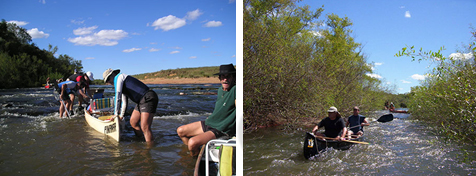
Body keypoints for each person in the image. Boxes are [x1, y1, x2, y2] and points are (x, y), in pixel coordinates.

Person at [176, 64, 236, 156]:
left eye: (228, 76)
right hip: (211, 122)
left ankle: (193, 156)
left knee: (192, 142)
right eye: (223, 77)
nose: (225, 79)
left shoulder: (235, 90)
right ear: (219, 78)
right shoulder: (220, 90)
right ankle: (194, 153)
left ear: (233, 77)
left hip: (222, 129)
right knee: (180, 131)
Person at [103, 68, 159, 143]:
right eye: (107, 81)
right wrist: (121, 116)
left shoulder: (119, 77)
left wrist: (115, 114)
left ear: (113, 74)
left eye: (108, 79)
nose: (109, 82)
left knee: (145, 127)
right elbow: (124, 102)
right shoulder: (121, 83)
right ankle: (141, 140)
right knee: (133, 122)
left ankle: (148, 149)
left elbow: (117, 96)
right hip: (141, 101)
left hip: (147, 97)